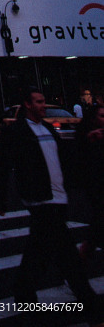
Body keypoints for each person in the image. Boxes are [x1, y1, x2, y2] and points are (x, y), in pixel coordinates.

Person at [0, 86, 104, 326]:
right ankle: (93, 309)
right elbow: (2, 165)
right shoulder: (19, 132)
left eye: (44, 101)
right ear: (28, 104)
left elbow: (64, 158)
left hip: (57, 198)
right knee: (68, 259)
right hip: (42, 200)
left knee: (39, 253)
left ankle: (24, 294)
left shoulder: (46, 129)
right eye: (39, 102)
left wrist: (87, 139)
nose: (44, 105)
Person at [76, 102, 104, 259]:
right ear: (93, 119)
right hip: (97, 188)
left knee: (97, 229)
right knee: (98, 226)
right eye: (102, 116)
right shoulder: (87, 136)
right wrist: (90, 141)